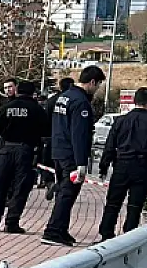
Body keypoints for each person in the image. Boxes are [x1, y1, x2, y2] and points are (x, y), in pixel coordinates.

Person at [41, 65, 105, 246]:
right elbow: (79, 134)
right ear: (92, 82)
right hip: (71, 156)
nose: (97, 89)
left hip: (58, 151)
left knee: (63, 191)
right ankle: (53, 231)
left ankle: (61, 229)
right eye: (98, 85)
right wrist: (81, 163)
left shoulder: (64, 97)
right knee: (67, 193)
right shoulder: (81, 102)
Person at [97, 86, 147, 241]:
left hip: (121, 165)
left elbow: (110, 146)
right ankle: (129, 236)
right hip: (143, 167)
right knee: (135, 205)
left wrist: (104, 166)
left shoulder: (120, 120)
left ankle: (106, 234)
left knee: (113, 203)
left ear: (134, 101)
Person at [0, 79, 52, 233]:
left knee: (1, 186)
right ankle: (11, 223)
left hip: (6, 150)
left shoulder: (7, 107)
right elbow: (46, 131)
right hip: (25, 151)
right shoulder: (37, 109)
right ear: (33, 93)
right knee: (20, 188)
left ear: (17, 91)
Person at [39, 77, 74, 201]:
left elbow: (45, 120)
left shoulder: (51, 101)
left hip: (50, 138)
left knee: (47, 164)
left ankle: (49, 183)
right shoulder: (73, 101)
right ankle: (61, 187)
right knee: (64, 169)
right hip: (66, 141)